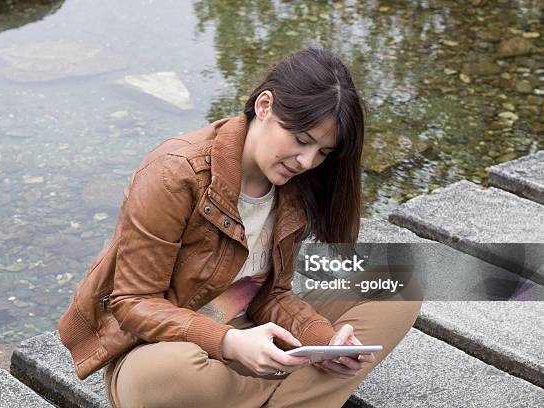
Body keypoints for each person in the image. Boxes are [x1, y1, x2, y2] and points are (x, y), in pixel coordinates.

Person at [58, 48, 421, 408]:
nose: (308, 161)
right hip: (164, 348)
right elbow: (133, 303)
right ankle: (298, 392)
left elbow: (272, 295)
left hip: (255, 337)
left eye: (324, 152)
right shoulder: (175, 171)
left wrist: (326, 343)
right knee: (167, 377)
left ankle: (285, 387)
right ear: (264, 106)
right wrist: (230, 343)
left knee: (399, 285)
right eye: (302, 139)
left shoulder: (295, 185)